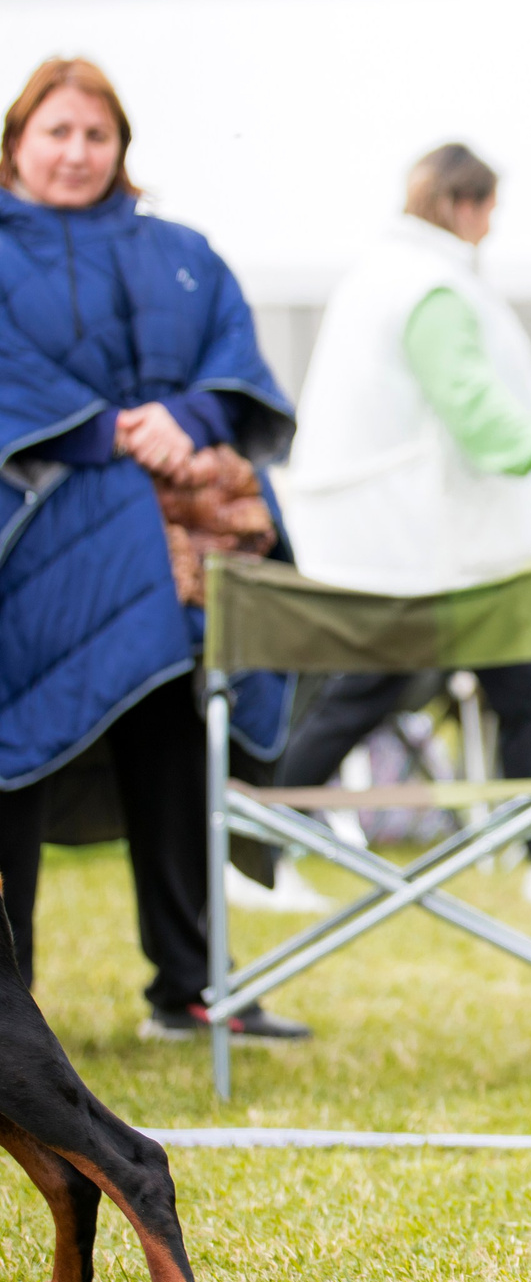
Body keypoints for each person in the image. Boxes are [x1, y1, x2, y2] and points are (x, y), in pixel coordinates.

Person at [0, 56, 311, 1041]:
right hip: (35, 543)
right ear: (16, 144)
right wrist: (108, 430)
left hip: (177, 546)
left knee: (175, 736)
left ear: (122, 148)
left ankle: (190, 983)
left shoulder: (181, 249)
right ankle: (10, 1003)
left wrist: (187, 413)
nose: (78, 152)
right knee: (14, 750)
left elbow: (233, 356)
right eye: (57, 132)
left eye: (98, 135)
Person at [276, 143, 531, 906]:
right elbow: (472, 403)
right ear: (465, 205)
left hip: (447, 548)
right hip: (424, 548)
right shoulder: (431, 287)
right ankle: (249, 849)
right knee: (371, 692)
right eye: (490, 211)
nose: (491, 228)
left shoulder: (389, 274)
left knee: (515, 689)